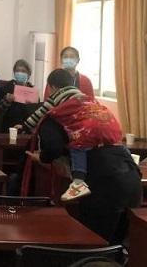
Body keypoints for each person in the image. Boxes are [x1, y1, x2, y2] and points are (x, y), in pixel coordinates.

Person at [26, 69, 141, 244]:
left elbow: (53, 148)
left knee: (93, 243)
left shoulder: (56, 116)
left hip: (103, 182)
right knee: (117, 246)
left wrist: (41, 158)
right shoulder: (94, 106)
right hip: (130, 176)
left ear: (51, 89)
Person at [42, 70, 123, 202]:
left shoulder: (56, 99)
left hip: (90, 128)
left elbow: (40, 114)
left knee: (77, 144)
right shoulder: (84, 96)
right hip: (110, 123)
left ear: (52, 87)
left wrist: (25, 125)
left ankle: (78, 183)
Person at [0, 59, 41, 132]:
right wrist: (6, 101)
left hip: (25, 128)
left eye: (23, 71)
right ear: (14, 73)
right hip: (7, 127)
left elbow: (36, 114)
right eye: (17, 71)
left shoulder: (33, 92)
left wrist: (30, 106)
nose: (20, 73)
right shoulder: (6, 87)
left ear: (29, 74)